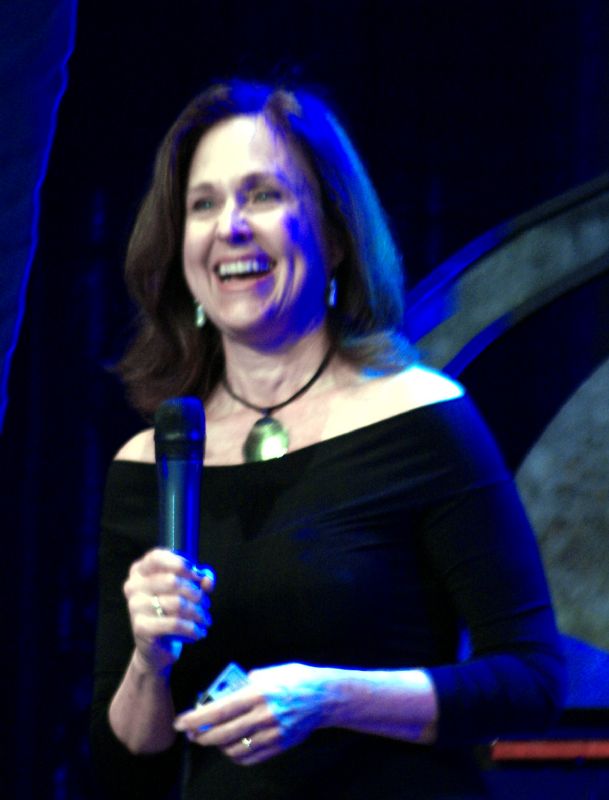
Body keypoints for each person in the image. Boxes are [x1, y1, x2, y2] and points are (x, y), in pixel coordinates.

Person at [90, 80, 565, 799]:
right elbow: (128, 757)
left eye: (263, 196)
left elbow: (530, 681)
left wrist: (332, 697)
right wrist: (148, 663)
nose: (231, 227)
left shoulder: (420, 417)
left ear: (335, 236)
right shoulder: (151, 462)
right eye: (203, 205)